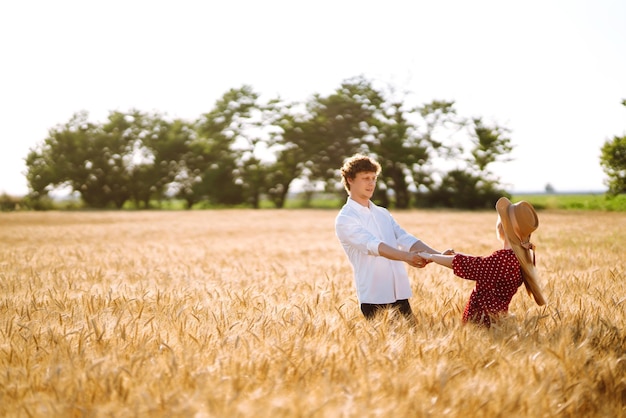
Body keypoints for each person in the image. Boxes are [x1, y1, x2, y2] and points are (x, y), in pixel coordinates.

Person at [335, 154, 446, 321]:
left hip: (400, 293)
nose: (371, 183)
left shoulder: (382, 213)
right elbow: (374, 246)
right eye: (365, 178)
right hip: (374, 297)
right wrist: (406, 257)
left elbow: (405, 239)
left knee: (413, 342)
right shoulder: (346, 218)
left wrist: (439, 256)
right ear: (350, 180)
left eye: (374, 178)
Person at [418, 197, 546, 328]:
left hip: (482, 321)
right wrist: (454, 255)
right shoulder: (518, 258)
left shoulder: (502, 259)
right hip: (497, 319)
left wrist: (432, 257)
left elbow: (470, 265)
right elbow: (480, 264)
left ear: (503, 226)